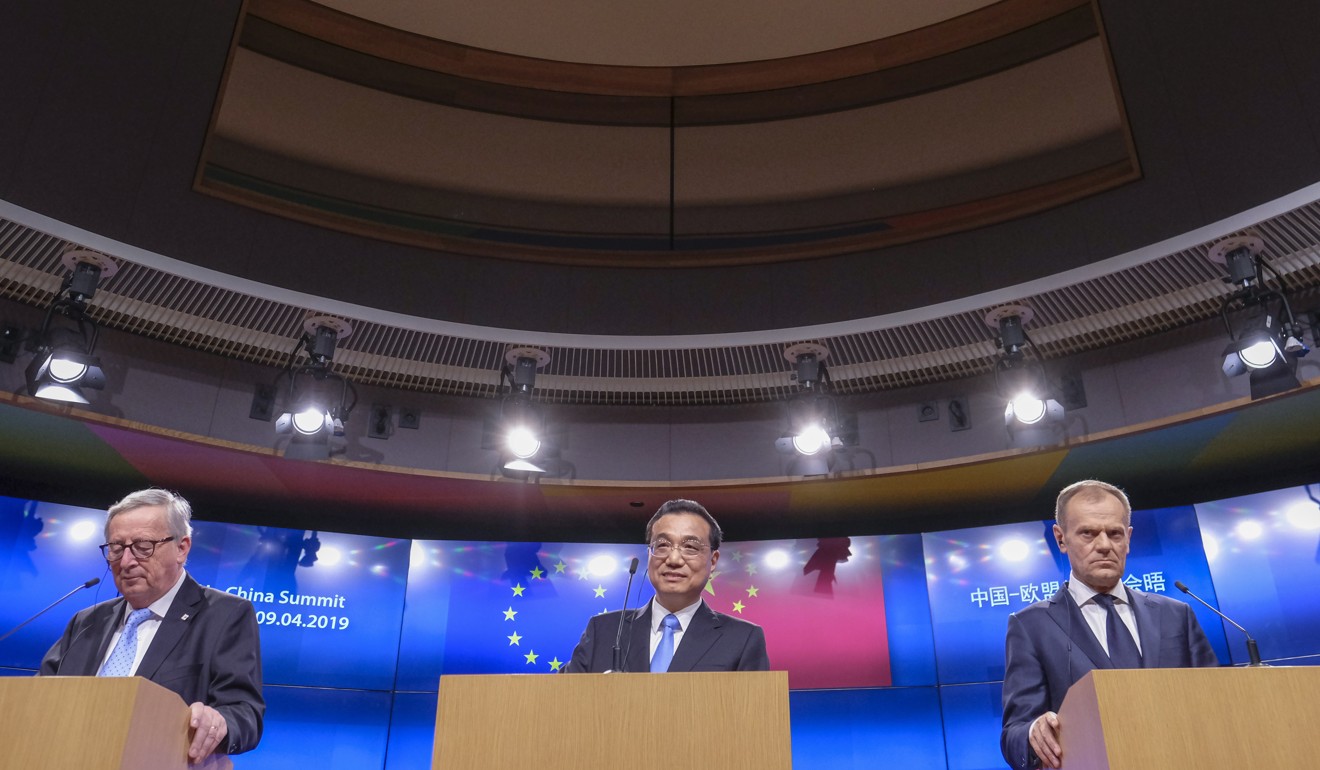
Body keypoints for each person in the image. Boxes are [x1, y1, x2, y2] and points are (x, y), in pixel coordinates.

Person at [1000, 480, 1218, 770]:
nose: (1104, 545)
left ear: (1128, 538)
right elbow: (1014, 733)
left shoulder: (1176, 614)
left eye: (1114, 534)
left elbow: (1216, 703)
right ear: (1061, 539)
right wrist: (1033, 733)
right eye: (1088, 533)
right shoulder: (1031, 626)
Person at [40, 489, 264, 763]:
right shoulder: (86, 622)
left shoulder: (225, 615)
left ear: (182, 548)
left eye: (143, 546)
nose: (126, 562)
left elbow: (245, 713)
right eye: (116, 548)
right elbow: (39, 700)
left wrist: (218, 721)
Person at [565, 499, 769, 673]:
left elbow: (756, 714)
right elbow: (559, 702)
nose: (673, 559)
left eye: (690, 547)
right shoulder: (603, 631)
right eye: (662, 545)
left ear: (713, 561)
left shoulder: (742, 639)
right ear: (649, 554)